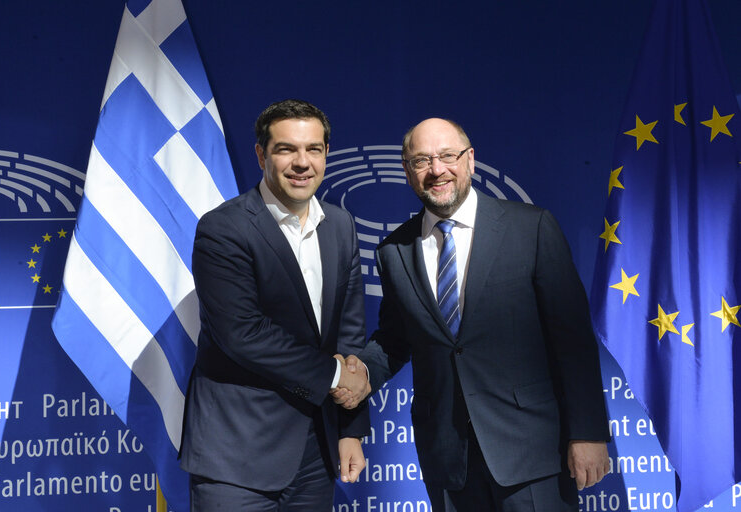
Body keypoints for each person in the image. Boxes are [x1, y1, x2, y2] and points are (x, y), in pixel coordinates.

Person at [335, 118, 610, 511]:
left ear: (470, 160)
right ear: (407, 171)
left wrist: (588, 433)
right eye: (421, 161)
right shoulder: (393, 251)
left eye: (448, 156)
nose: (437, 170)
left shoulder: (530, 228)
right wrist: (361, 373)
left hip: (530, 452)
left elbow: (573, 339)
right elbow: (395, 339)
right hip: (448, 458)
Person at [180, 99, 371, 511]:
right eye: (287, 149)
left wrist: (350, 429)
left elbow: (349, 333)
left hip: (315, 456)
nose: (302, 162)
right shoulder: (223, 228)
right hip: (237, 457)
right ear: (261, 154)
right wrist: (337, 376)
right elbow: (242, 333)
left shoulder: (340, 225)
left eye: (314, 149)